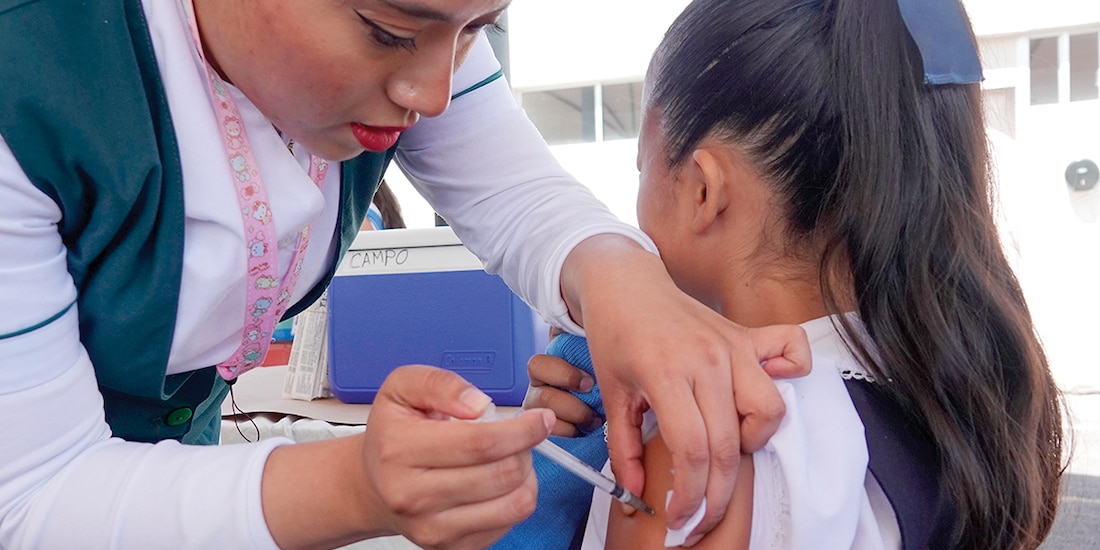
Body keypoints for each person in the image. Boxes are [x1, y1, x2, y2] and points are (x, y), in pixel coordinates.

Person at [0, 0, 812, 548]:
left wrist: (623, 284)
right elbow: (32, 496)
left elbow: (518, 193)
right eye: (388, 31)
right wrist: (353, 486)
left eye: (478, 29)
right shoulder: (29, 75)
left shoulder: (427, 38)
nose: (431, 92)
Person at [523, 0, 1064, 547]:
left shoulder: (706, 446)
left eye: (642, 167)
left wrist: (540, 498)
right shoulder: (951, 398)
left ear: (704, 190)